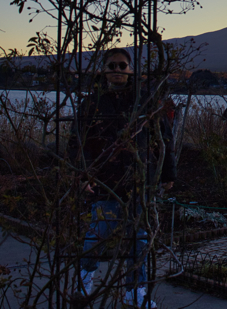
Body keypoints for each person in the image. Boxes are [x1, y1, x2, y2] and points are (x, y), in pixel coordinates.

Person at [69, 47, 175, 308]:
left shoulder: (144, 102)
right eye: (112, 66)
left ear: (130, 70)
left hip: (139, 180)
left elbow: (163, 138)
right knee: (97, 234)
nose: (117, 70)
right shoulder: (92, 104)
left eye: (122, 66)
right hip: (105, 181)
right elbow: (76, 142)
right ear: (104, 70)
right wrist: (83, 175)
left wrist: (167, 174)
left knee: (138, 239)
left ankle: (135, 291)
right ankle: (84, 282)